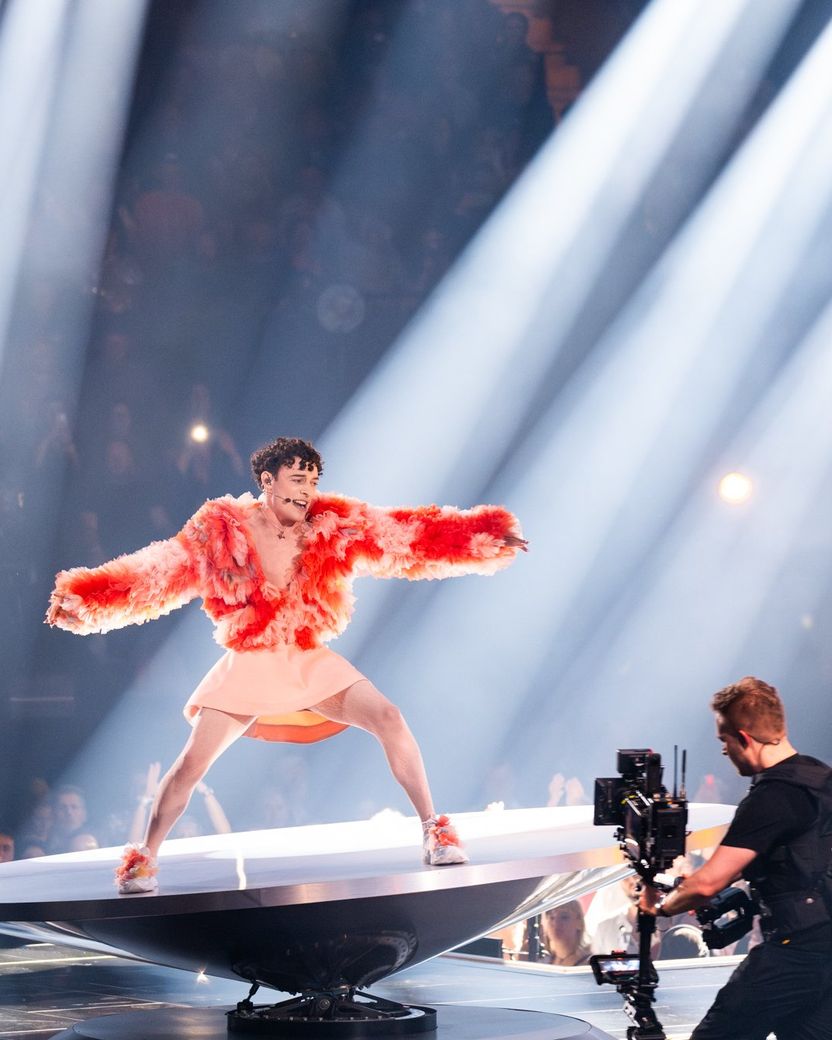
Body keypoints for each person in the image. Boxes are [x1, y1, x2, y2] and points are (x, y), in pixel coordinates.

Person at [47, 436, 526, 893]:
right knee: (192, 763)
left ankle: (434, 830)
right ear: (267, 480)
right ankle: (143, 858)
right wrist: (85, 600)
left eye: (313, 481)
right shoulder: (221, 528)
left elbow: (405, 535)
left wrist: (483, 537)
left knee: (389, 717)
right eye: (298, 479)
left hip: (306, 657)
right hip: (252, 660)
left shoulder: (333, 523)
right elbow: (159, 570)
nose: (307, 491)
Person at [640, 676, 832, 1039]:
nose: (724, 752)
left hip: (793, 954)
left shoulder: (772, 796)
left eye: (723, 740)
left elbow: (707, 884)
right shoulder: (821, 778)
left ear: (743, 738)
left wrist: (659, 908)